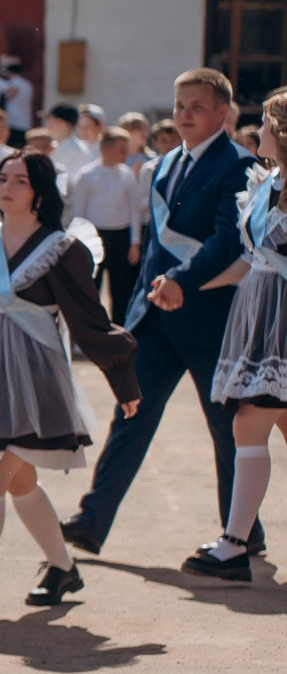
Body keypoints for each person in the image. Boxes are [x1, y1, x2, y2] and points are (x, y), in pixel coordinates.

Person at [0, 152, 140, 620]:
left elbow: (90, 320)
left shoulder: (62, 248)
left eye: (20, 180)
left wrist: (123, 380)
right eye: (2, 178)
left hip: (34, 371)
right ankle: (63, 567)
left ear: (40, 192)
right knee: (17, 478)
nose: (7, 186)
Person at [63, 69, 262, 558]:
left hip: (210, 318)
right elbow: (156, 244)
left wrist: (182, 283)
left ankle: (242, 531)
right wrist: (142, 303)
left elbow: (227, 239)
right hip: (155, 318)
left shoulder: (238, 165)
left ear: (222, 113)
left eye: (197, 106)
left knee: (226, 427)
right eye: (179, 106)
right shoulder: (166, 162)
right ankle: (92, 520)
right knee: (130, 413)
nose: (185, 115)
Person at [183, 89, 287, 581]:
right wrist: (189, 284)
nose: (258, 129)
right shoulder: (265, 183)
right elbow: (250, 261)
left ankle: (234, 543)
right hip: (258, 312)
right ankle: (234, 542)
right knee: (270, 424)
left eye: (266, 122)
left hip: (282, 318)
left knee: (247, 423)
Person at [70, 126, 145, 322]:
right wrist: (80, 244)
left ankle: (120, 328)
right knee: (92, 287)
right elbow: (79, 213)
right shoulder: (86, 175)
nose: (125, 154)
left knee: (120, 290)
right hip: (95, 237)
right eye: (121, 149)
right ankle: (92, 330)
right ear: (105, 148)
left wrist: (135, 243)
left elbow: (134, 210)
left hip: (121, 236)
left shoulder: (127, 174)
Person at [45, 103, 95, 177]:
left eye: (51, 121)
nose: (48, 125)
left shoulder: (75, 148)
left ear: (62, 124)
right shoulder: (56, 144)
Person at [1, 56, 35, 144]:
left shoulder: (13, 84)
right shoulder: (27, 84)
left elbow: (7, 98)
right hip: (25, 120)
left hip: (14, 120)